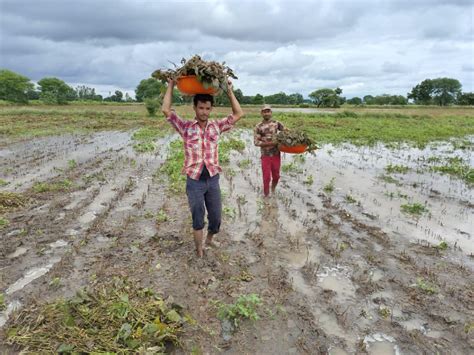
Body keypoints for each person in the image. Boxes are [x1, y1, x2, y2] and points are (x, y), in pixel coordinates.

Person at [162, 79, 244, 258]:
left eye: (207, 108)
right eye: (201, 108)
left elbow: (238, 113)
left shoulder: (216, 126)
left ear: (211, 109)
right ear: (195, 108)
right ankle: (199, 251)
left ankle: (209, 240)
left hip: (213, 179)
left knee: (216, 218)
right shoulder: (185, 127)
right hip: (195, 182)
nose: (204, 112)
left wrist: (229, 91)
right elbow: (166, 111)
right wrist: (170, 85)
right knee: (198, 218)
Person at [253, 104, 285, 197]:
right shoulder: (258, 126)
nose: (266, 113)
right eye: (264, 111)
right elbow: (256, 142)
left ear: (271, 113)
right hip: (265, 155)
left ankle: (273, 189)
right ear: (261, 113)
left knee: (276, 176)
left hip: (276, 154)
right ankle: (266, 195)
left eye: (268, 111)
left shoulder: (276, 123)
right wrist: (272, 143)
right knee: (266, 177)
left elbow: (286, 131)